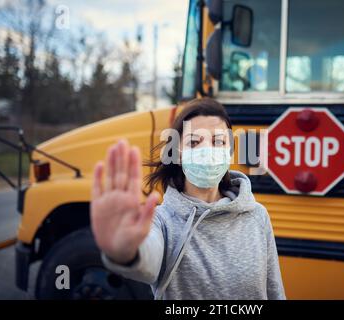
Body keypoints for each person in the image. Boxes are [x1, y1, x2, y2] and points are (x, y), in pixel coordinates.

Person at [90, 97, 286, 300]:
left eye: (218, 141)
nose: (207, 150)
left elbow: (275, 291)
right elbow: (147, 263)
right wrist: (125, 253)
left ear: (230, 152)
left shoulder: (257, 216)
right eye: (194, 142)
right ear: (178, 153)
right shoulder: (162, 221)